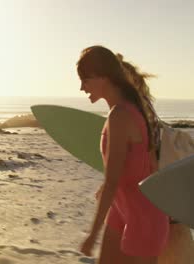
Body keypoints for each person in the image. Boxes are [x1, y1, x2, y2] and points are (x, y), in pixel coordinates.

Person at [77, 45, 169, 264]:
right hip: (122, 209)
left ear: (103, 77)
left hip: (144, 220)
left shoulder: (121, 115)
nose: (81, 87)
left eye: (85, 80)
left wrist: (92, 234)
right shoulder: (129, 110)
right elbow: (147, 165)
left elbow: (112, 180)